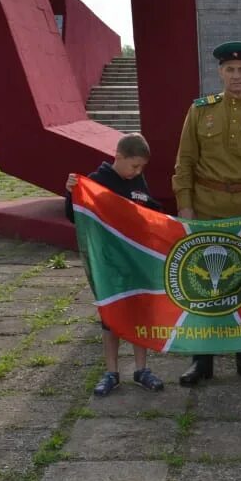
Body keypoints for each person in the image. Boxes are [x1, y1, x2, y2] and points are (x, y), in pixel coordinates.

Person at [172, 41, 241, 386]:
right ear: (220, 72)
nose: (236, 75)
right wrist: (185, 206)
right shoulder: (200, 111)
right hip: (206, 208)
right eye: (230, 70)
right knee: (201, 285)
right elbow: (185, 161)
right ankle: (201, 360)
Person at [64, 132, 166, 397]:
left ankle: (142, 370)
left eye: (142, 167)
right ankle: (111, 372)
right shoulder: (96, 182)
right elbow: (76, 216)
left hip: (136, 260)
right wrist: (70, 192)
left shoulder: (137, 180)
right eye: (134, 165)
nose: (138, 171)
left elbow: (148, 208)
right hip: (109, 264)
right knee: (111, 318)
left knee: (140, 314)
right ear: (118, 157)